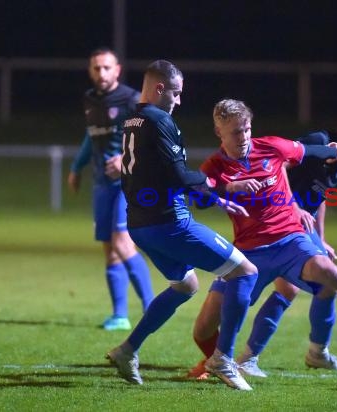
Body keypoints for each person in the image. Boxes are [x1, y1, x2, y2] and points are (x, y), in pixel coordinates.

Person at [188, 99, 337, 380]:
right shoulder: (217, 165)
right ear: (220, 132)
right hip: (250, 249)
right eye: (236, 132)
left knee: (329, 277)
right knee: (203, 329)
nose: (244, 137)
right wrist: (236, 189)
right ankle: (223, 361)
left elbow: (314, 187)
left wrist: (320, 238)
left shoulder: (282, 148)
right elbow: (199, 196)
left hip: (291, 237)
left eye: (247, 129)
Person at [104, 60, 259, 391]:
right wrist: (217, 185)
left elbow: (161, 176)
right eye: (175, 92)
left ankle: (127, 349)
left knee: (186, 285)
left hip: (140, 225)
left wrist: (210, 195)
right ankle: (223, 358)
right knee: (245, 272)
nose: (178, 100)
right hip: (169, 223)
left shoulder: (132, 119)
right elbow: (179, 175)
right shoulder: (160, 121)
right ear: (160, 89)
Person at [68, 48, 154, 331]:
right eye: (96, 68)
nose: (101, 73)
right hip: (101, 184)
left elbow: (150, 137)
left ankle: (151, 306)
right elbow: (89, 137)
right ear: (90, 71)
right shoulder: (89, 99)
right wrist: (76, 168)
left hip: (125, 184)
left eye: (106, 68)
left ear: (117, 70)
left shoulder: (131, 100)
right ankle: (120, 315)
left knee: (122, 242)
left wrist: (125, 159)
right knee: (109, 248)